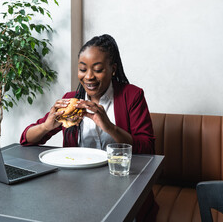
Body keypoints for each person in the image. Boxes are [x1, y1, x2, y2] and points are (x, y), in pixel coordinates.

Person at [20, 34, 158, 221]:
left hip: (123, 186)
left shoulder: (132, 96)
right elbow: (26, 139)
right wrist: (46, 126)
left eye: (98, 69)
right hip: (76, 187)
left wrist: (109, 126)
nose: (89, 77)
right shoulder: (71, 99)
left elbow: (148, 148)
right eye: (82, 69)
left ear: (113, 69)